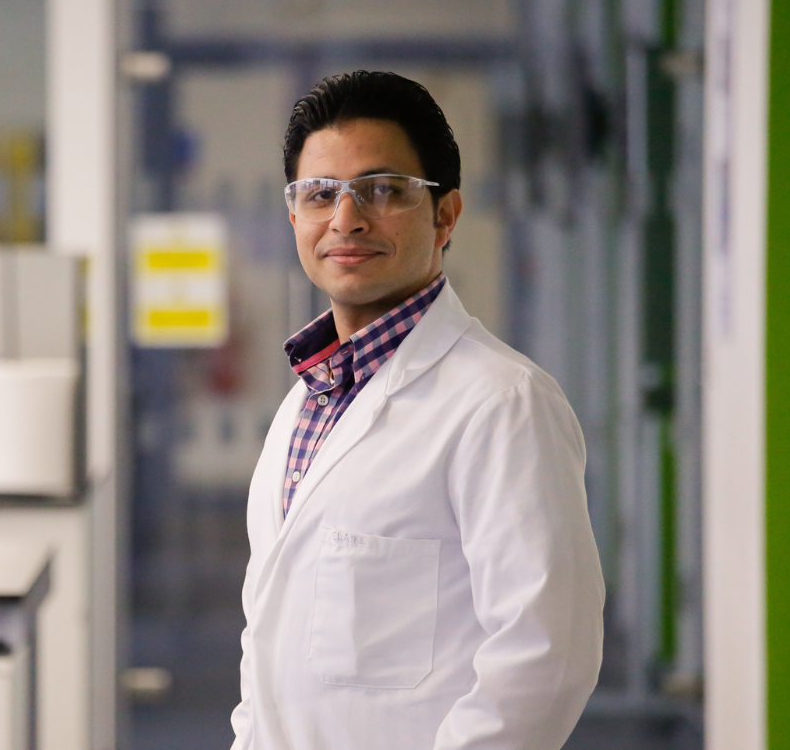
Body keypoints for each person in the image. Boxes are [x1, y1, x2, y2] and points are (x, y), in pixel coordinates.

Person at [230, 71, 604, 750]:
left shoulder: (501, 404)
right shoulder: (304, 407)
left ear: (446, 214)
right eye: (320, 194)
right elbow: (268, 645)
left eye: (382, 190)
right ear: (295, 218)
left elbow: (545, 657)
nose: (346, 219)